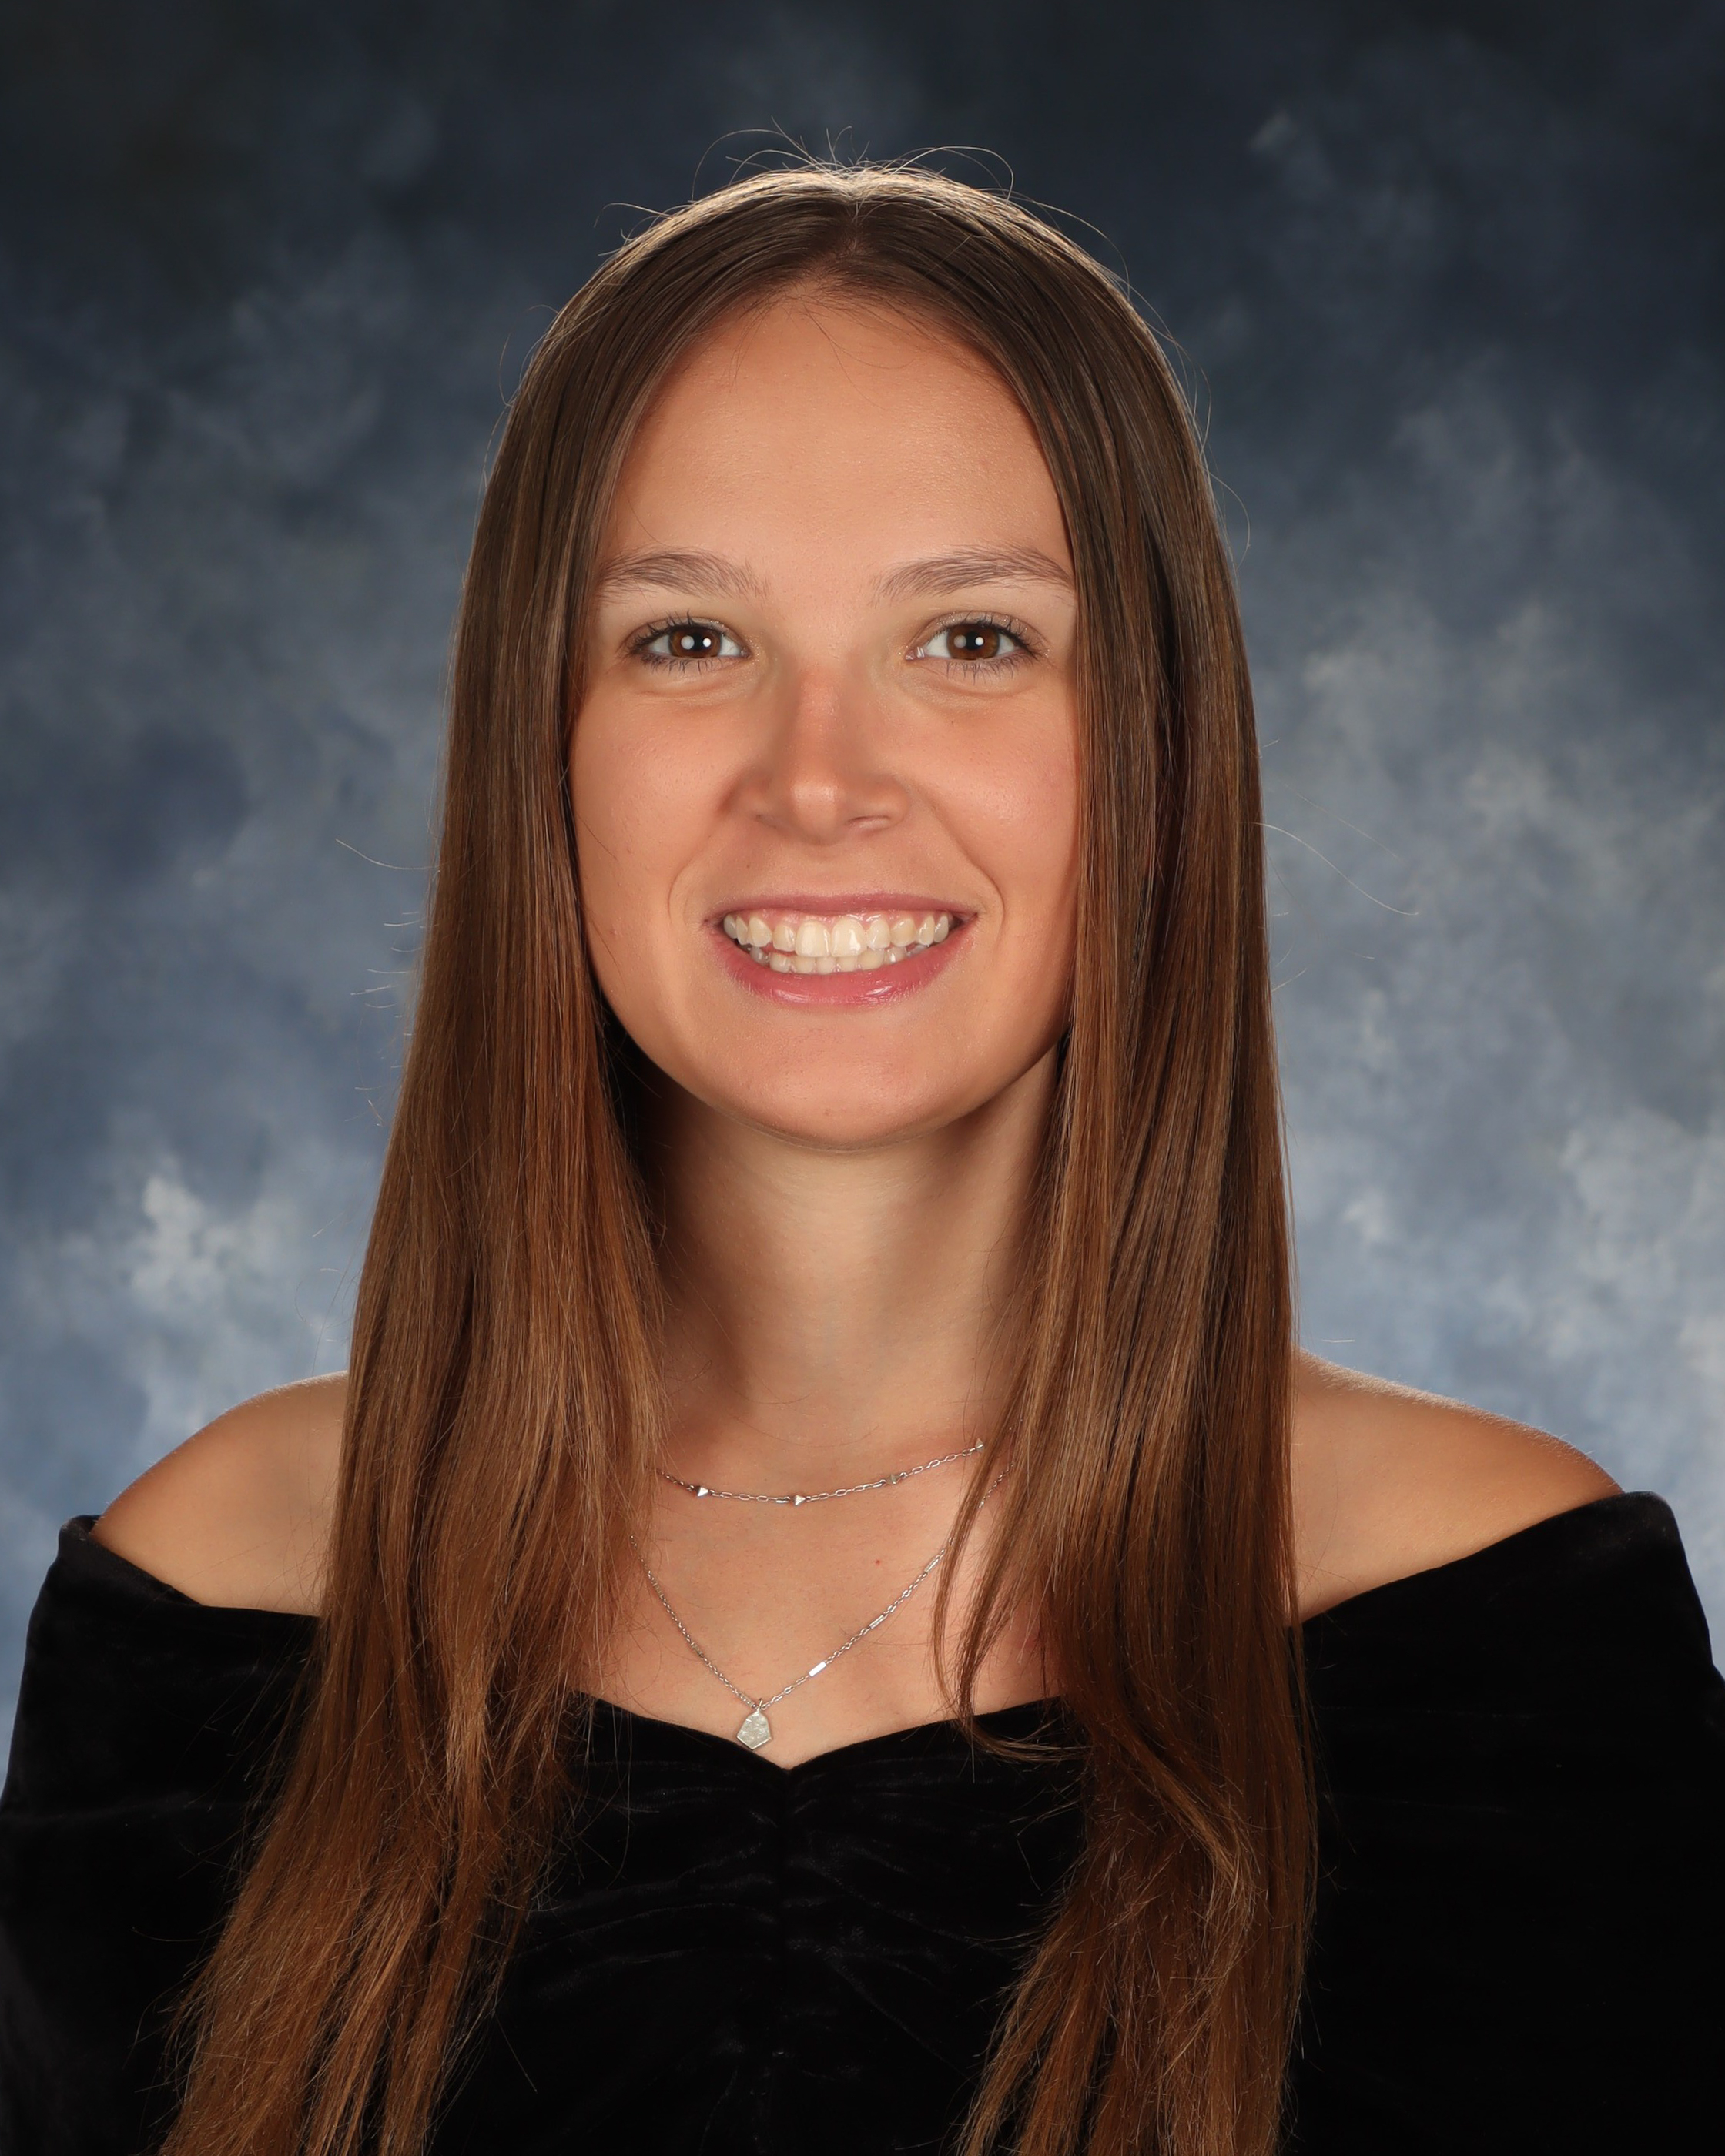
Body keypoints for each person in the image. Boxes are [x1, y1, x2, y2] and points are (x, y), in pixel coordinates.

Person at [1, 163, 1720, 2156]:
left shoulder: (1494, 1633)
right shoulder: (218, 1601)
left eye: (973, 638)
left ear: (1155, 753)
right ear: (540, 746)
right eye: (688, 639)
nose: (818, 780)